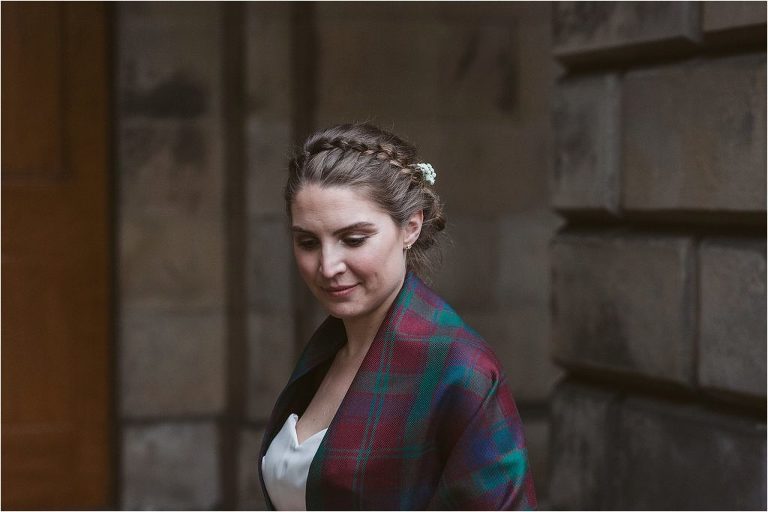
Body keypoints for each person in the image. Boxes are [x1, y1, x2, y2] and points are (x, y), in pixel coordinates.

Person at [258, 123, 537, 510]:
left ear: (411, 226)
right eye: (307, 242)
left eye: (353, 239)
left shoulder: (460, 369)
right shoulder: (328, 350)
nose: (327, 265)